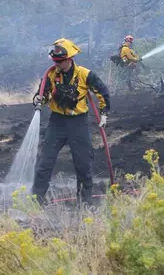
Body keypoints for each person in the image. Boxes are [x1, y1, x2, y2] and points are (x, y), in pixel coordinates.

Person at [32, 38, 111, 206]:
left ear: (69, 59)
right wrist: (38, 99)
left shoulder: (85, 74)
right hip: (57, 123)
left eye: (59, 61)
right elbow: (43, 94)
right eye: (55, 61)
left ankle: (85, 203)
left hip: (78, 123)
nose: (56, 64)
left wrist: (104, 112)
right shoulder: (51, 75)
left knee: (83, 164)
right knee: (45, 163)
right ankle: (35, 202)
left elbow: (102, 92)